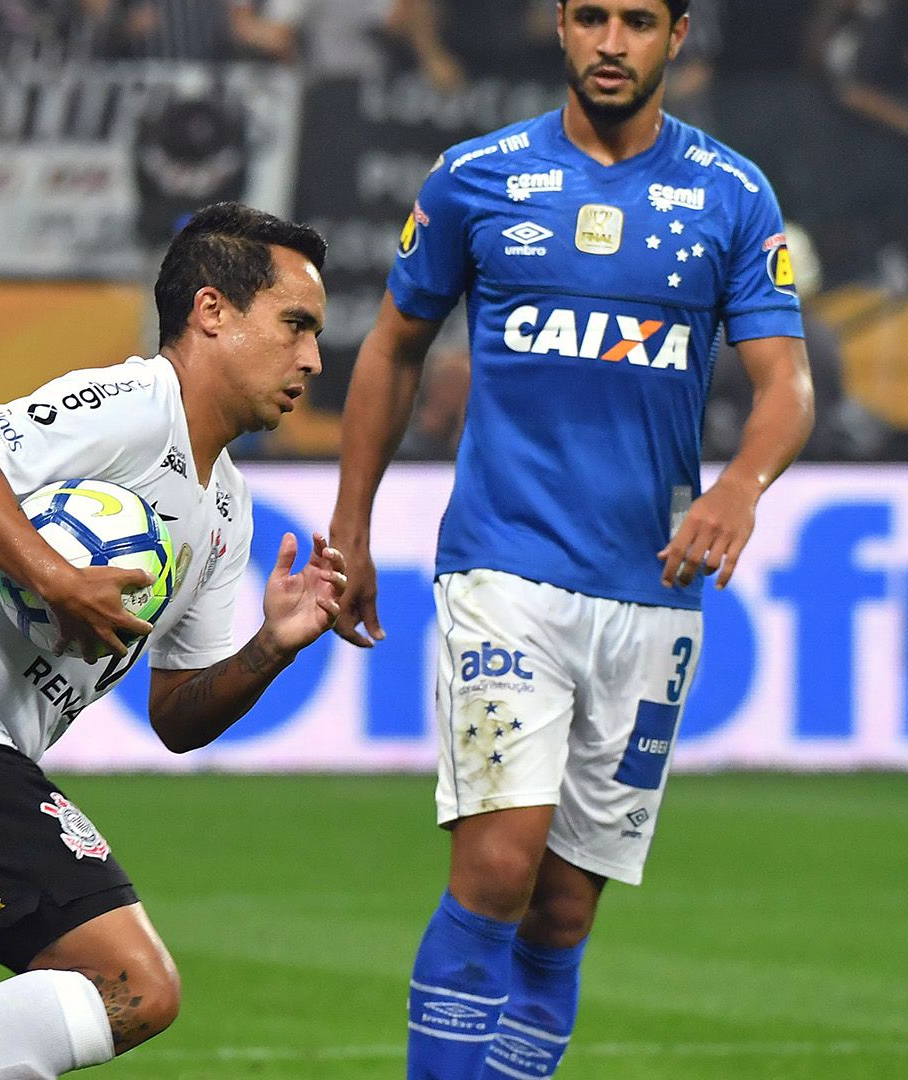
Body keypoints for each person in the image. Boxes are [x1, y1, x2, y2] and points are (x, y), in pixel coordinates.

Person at [326, 3, 814, 1078]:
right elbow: (392, 352)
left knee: (559, 913)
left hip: (651, 591)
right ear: (559, 27)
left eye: (637, 20)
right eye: (589, 15)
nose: (609, 40)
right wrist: (349, 526)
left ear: (677, 37)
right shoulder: (478, 178)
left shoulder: (732, 195)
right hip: (506, 571)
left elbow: (787, 383)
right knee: (498, 871)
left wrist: (740, 484)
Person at [0, 201, 348, 1080]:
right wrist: (55, 577)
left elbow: (176, 714)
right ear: (212, 312)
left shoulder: (228, 507)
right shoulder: (135, 403)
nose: (313, 359)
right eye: (296, 326)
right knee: (134, 985)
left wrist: (271, 647)